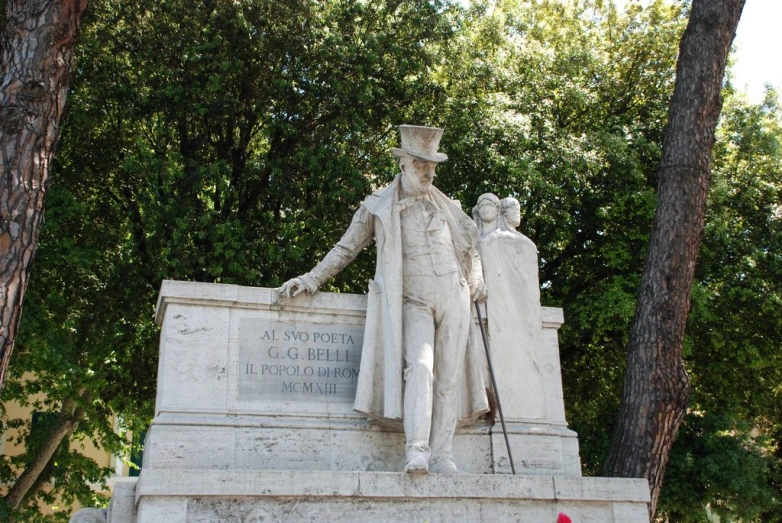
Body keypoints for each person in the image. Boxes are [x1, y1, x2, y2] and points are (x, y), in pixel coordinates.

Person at [280, 125, 489, 474]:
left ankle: (443, 455)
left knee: (450, 378)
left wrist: (477, 277)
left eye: (433, 165)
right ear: (404, 163)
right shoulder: (378, 204)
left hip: (455, 294)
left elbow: (472, 245)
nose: (430, 172)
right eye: (423, 164)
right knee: (421, 367)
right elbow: (346, 247)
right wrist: (311, 278)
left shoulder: (448, 205)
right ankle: (417, 451)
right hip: (412, 299)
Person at [472, 194, 547, 420]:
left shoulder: (517, 242)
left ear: (498, 210)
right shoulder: (475, 240)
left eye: (491, 205)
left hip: (513, 313)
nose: (486, 209)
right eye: (482, 205)